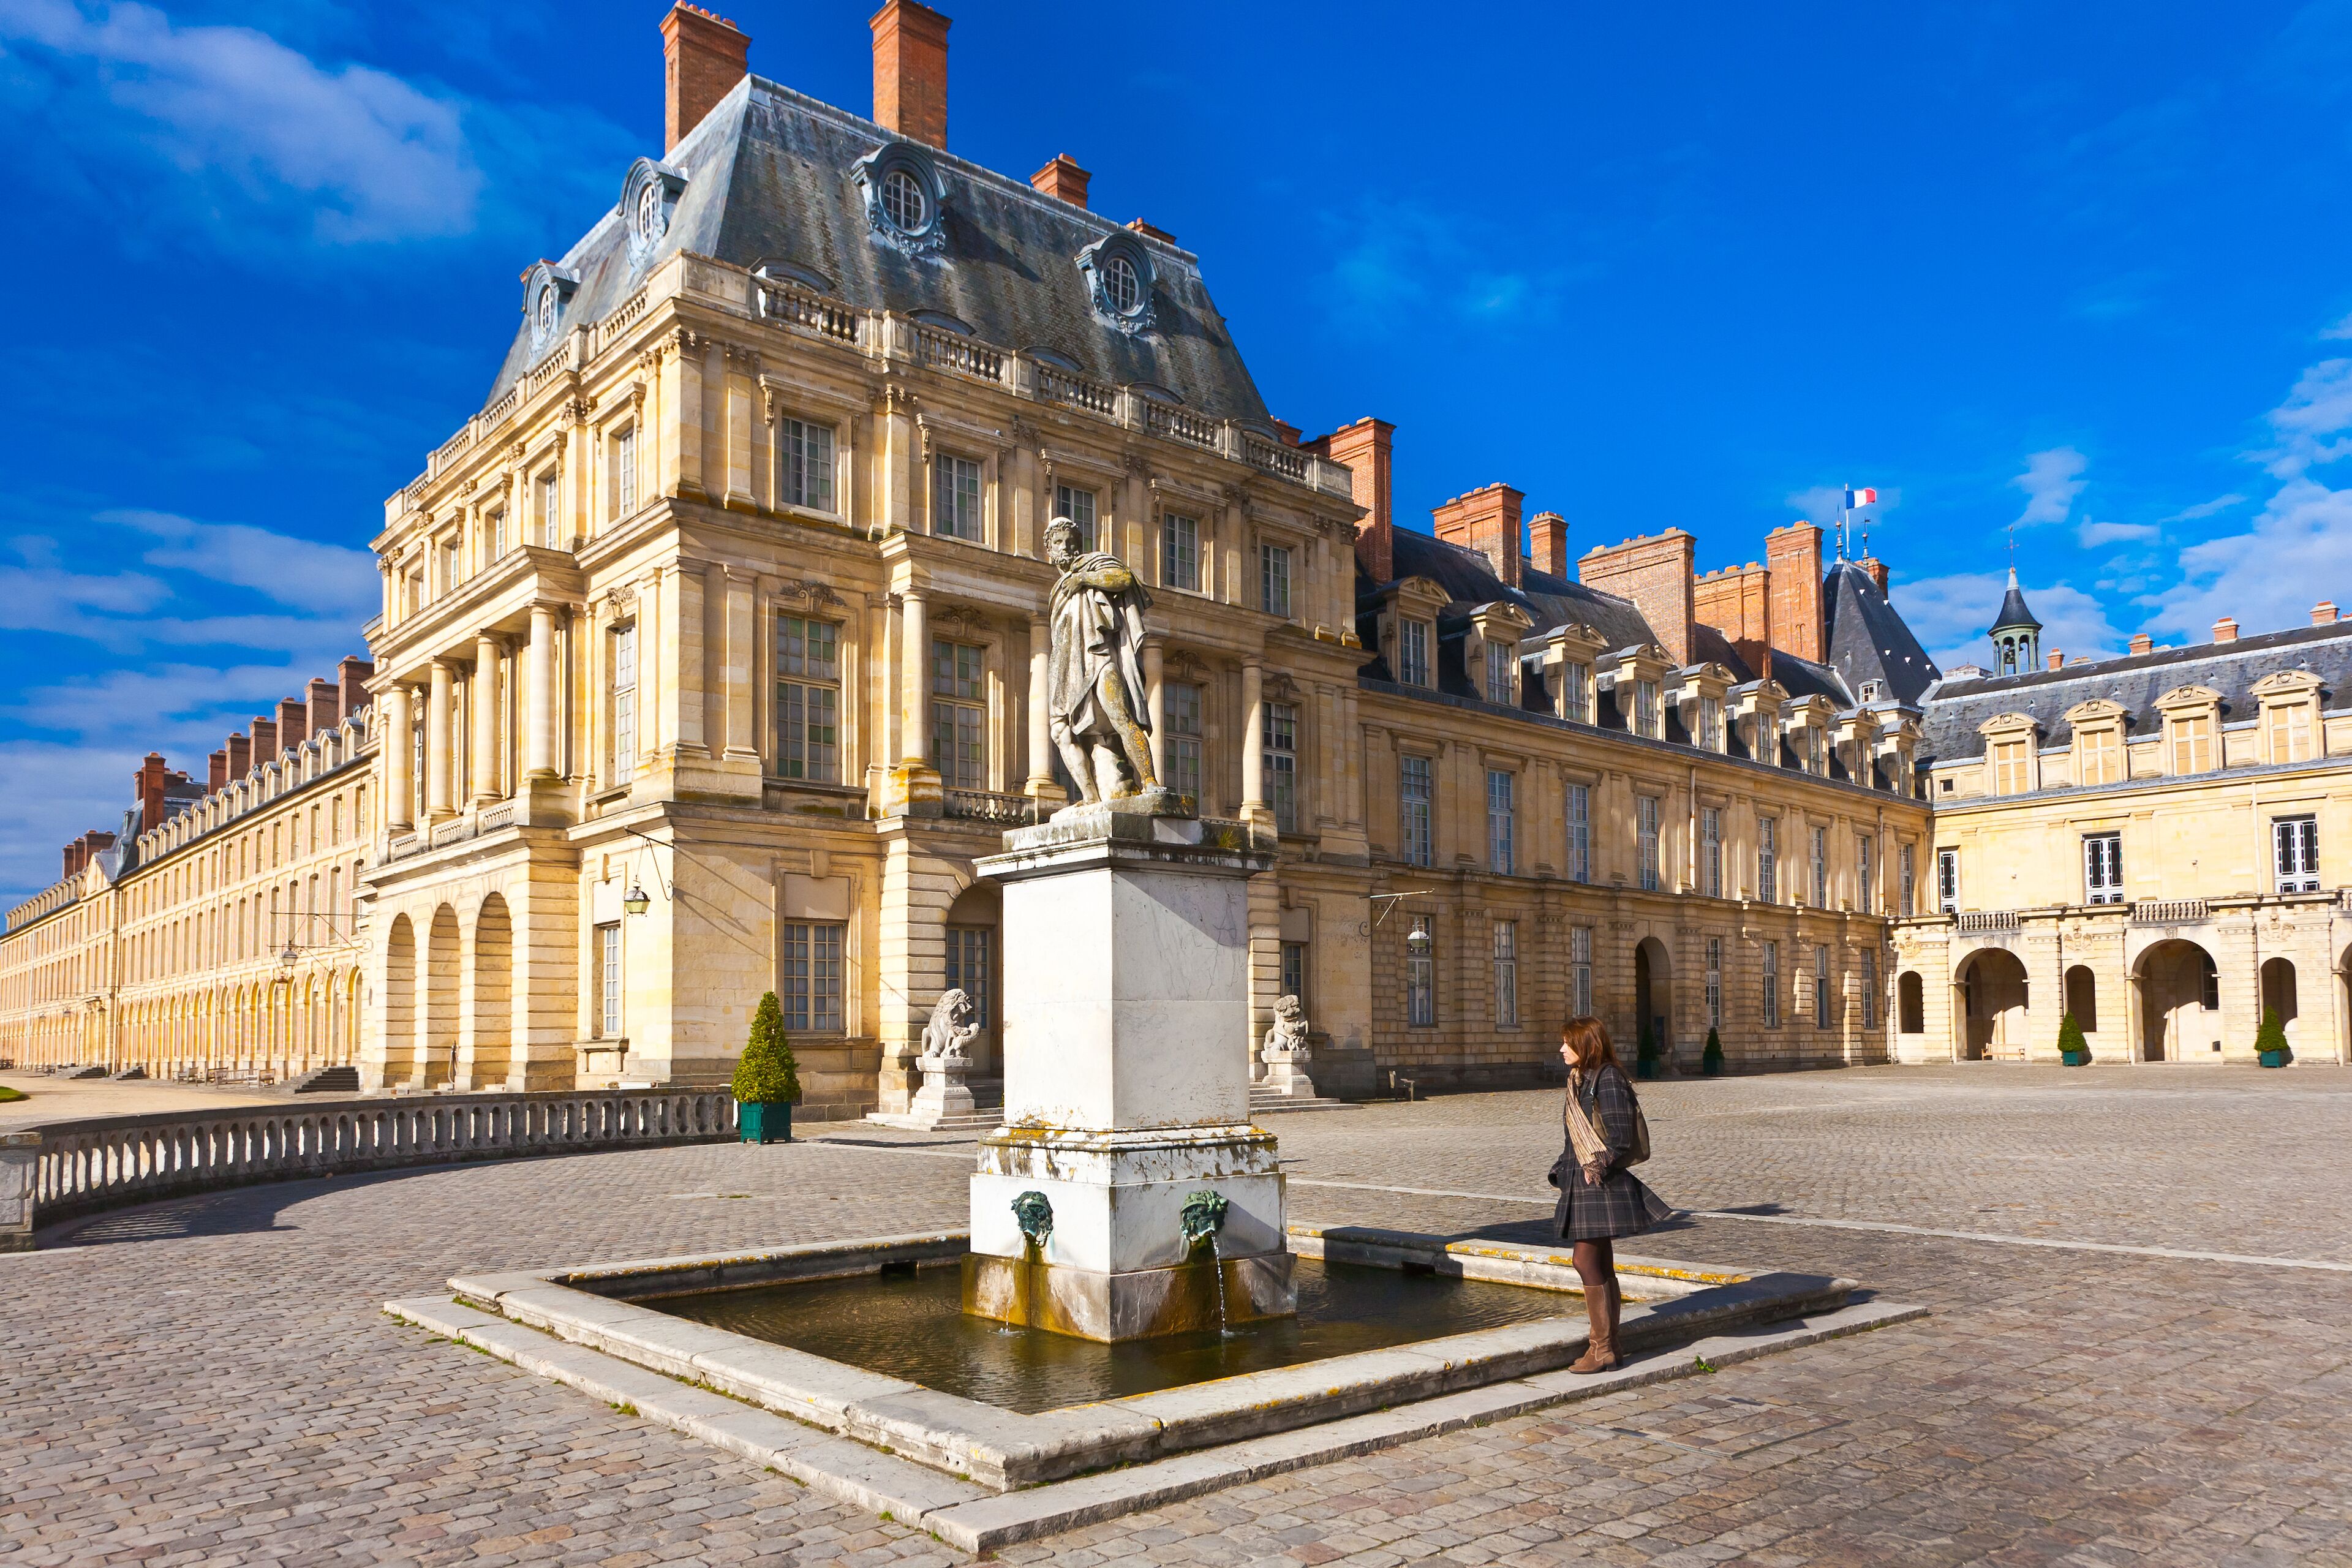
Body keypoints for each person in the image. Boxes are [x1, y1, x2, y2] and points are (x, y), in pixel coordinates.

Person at [1549, 1015, 1672, 1373]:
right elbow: (1576, 1137)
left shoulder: (1609, 1079)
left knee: (1584, 1261)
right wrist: (1559, 1170)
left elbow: (1619, 1137)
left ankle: (1600, 1348)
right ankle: (1611, 1346)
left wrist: (1595, 1169)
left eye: (1568, 1043)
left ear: (1586, 1045)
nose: (1561, 1049)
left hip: (1598, 1183)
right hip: (1583, 1180)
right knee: (1600, 1263)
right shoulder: (1578, 1081)